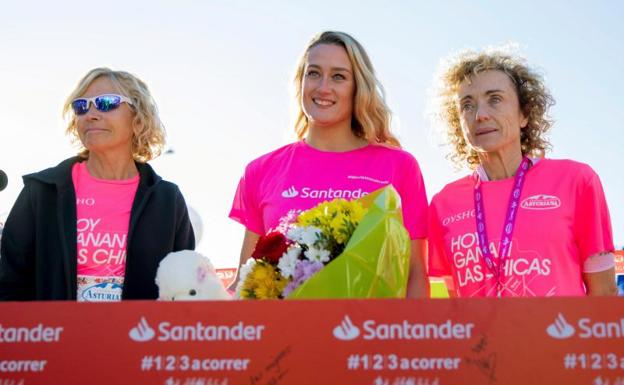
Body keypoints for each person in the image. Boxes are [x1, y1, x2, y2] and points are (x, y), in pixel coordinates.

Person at [229, 31, 429, 297]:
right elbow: (246, 280)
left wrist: (411, 336)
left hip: (374, 332)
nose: (323, 87)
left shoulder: (399, 166)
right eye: (313, 73)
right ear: (300, 81)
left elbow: (415, 273)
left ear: (358, 87)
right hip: (283, 334)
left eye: (338, 76)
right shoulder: (261, 170)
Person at [427, 47, 617, 297]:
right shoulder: (443, 204)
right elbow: (450, 306)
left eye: (494, 99)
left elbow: (603, 295)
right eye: (467, 104)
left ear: (524, 114)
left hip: (562, 335)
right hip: (481, 338)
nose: (480, 115)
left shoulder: (576, 181)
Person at [0, 68, 195, 301]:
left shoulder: (167, 200)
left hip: (139, 334)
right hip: (53, 335)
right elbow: (10, 282)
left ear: (138, 117)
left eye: (105, 103)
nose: (90, 114)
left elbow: (185, 290)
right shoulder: (42, 191)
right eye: (81, 106)